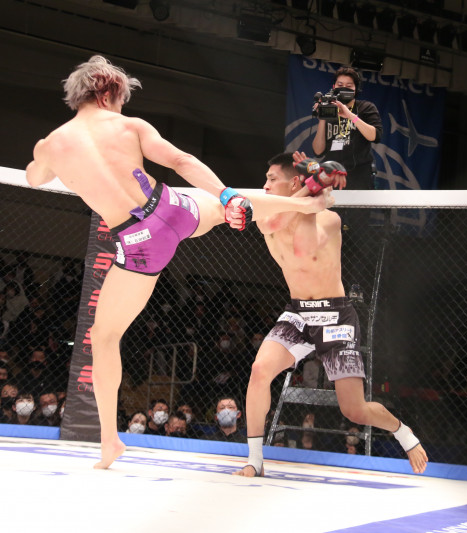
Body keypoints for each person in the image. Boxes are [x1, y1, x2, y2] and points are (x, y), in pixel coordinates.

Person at [25, 55, 330, 469]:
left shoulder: (52, 144)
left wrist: (45, 160)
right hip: (171, 207)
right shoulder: (130, 127)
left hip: (139, 242)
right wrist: (226, 195)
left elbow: (35, 178)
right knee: (221, 208)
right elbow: (182, 161)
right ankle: (304, 204)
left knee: (104, 337)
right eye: (121, 99)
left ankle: (109, 441)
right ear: (109, 92)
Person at [233, 153, 428, 477]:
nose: (264, 185)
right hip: (298, 312)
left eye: (272, 179)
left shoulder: (329, 220)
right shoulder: (267, 214)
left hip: (335, 315)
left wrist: (315, 192)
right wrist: (313, 187)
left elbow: (304, 247)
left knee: (354, 410)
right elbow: (271, 221)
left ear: (293, 182)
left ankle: (403, 432)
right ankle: (255, 460)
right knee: (259, 370)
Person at [311, 67, 382, 190]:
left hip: (360, 175)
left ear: (356, 89)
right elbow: (318, 151)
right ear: (334, 87)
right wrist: (322, 117)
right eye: (340, 85)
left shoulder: (366, 107)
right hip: (332, 174)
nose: (344, 88)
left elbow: (375, 136)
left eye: (349, 86)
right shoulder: (330, 109)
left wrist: (350, 115)